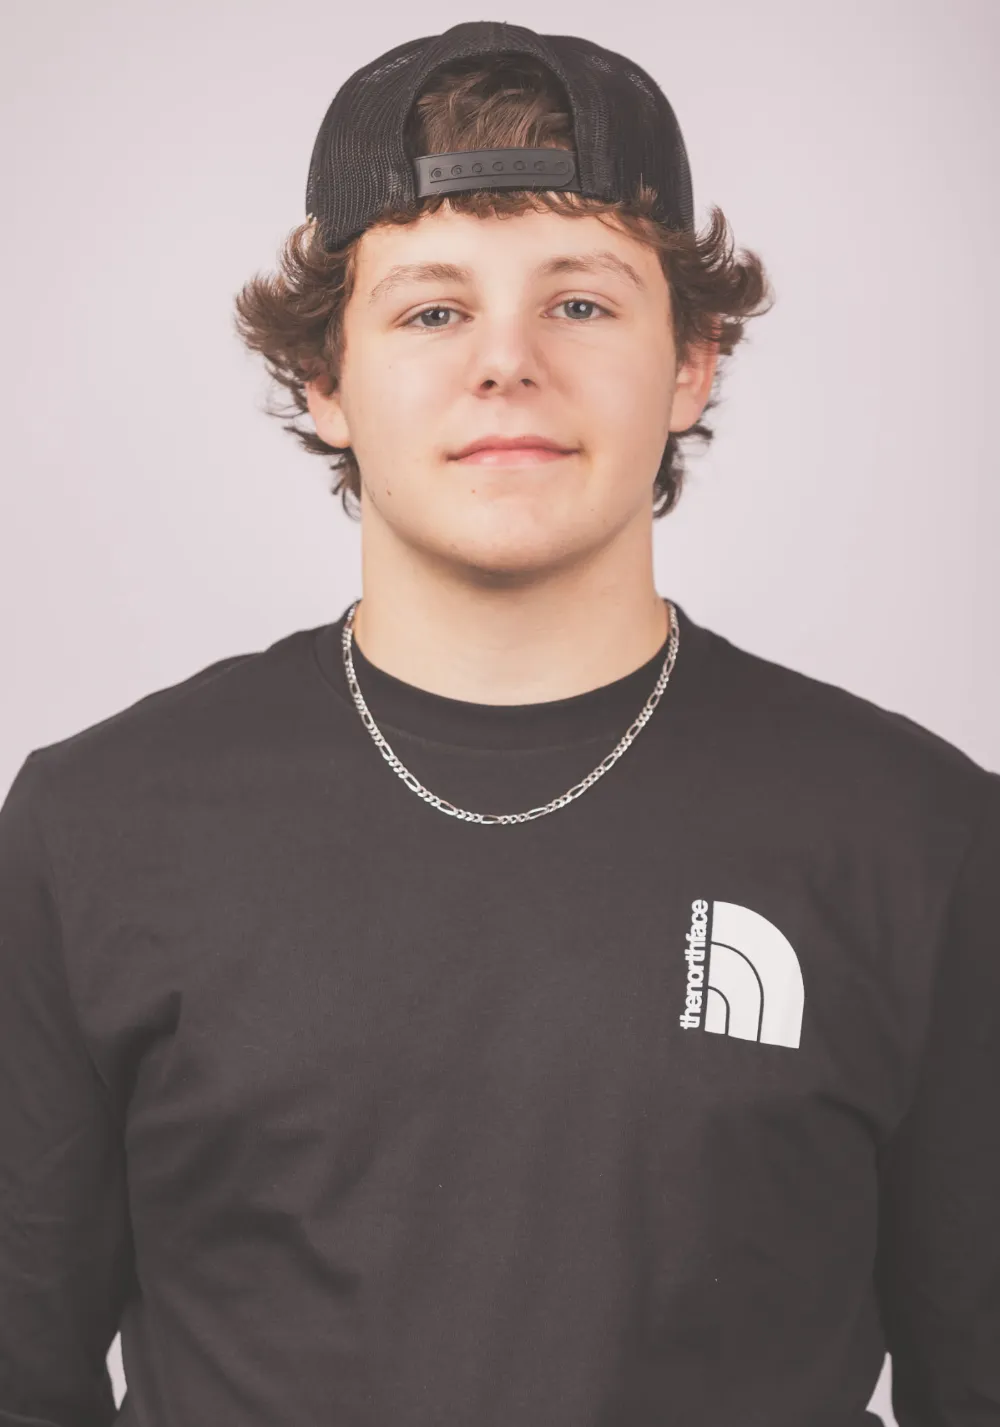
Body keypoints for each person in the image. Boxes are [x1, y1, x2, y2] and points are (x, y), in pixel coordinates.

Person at [0, 19, 997, 1427]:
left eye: (580, 303)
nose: (507, 363)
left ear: (693, 362)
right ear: (326, 380)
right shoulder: (92, 830)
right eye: (431, 311)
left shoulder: (921, 838)